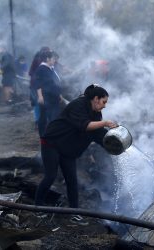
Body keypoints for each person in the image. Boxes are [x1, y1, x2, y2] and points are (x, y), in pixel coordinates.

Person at [34, 84, 117, 225]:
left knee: (72, 180)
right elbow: (84, 125)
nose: (105, 106)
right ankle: (37, 207)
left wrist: (113, 143)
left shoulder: (96, 114)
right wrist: (106, 123)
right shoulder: (78, 105)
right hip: (52, 143)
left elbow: (97, 133)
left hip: (68, 149)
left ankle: (74, 213)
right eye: (104, 102)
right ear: (96, 99)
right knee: (50, 176)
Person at [35, 50, 64, 136]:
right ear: (47, 59)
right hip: (46, 97)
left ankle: (52, 135)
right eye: (53, 59)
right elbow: (38, 84)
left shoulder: (50, 68)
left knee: (53, 117)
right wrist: (40, 96)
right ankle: (44, 135)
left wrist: (59, 94)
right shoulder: (41, 69)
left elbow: (55, 83)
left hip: (54, 97)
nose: (54, 60)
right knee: (45, 117)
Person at [29, 46, 51, 129]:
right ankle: (39, 122)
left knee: (37, 104)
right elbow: (32, 73)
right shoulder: (40, 61)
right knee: (38, 103)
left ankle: (39, 121)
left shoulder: (38, 59)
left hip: (36, 85)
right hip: (36, 86)